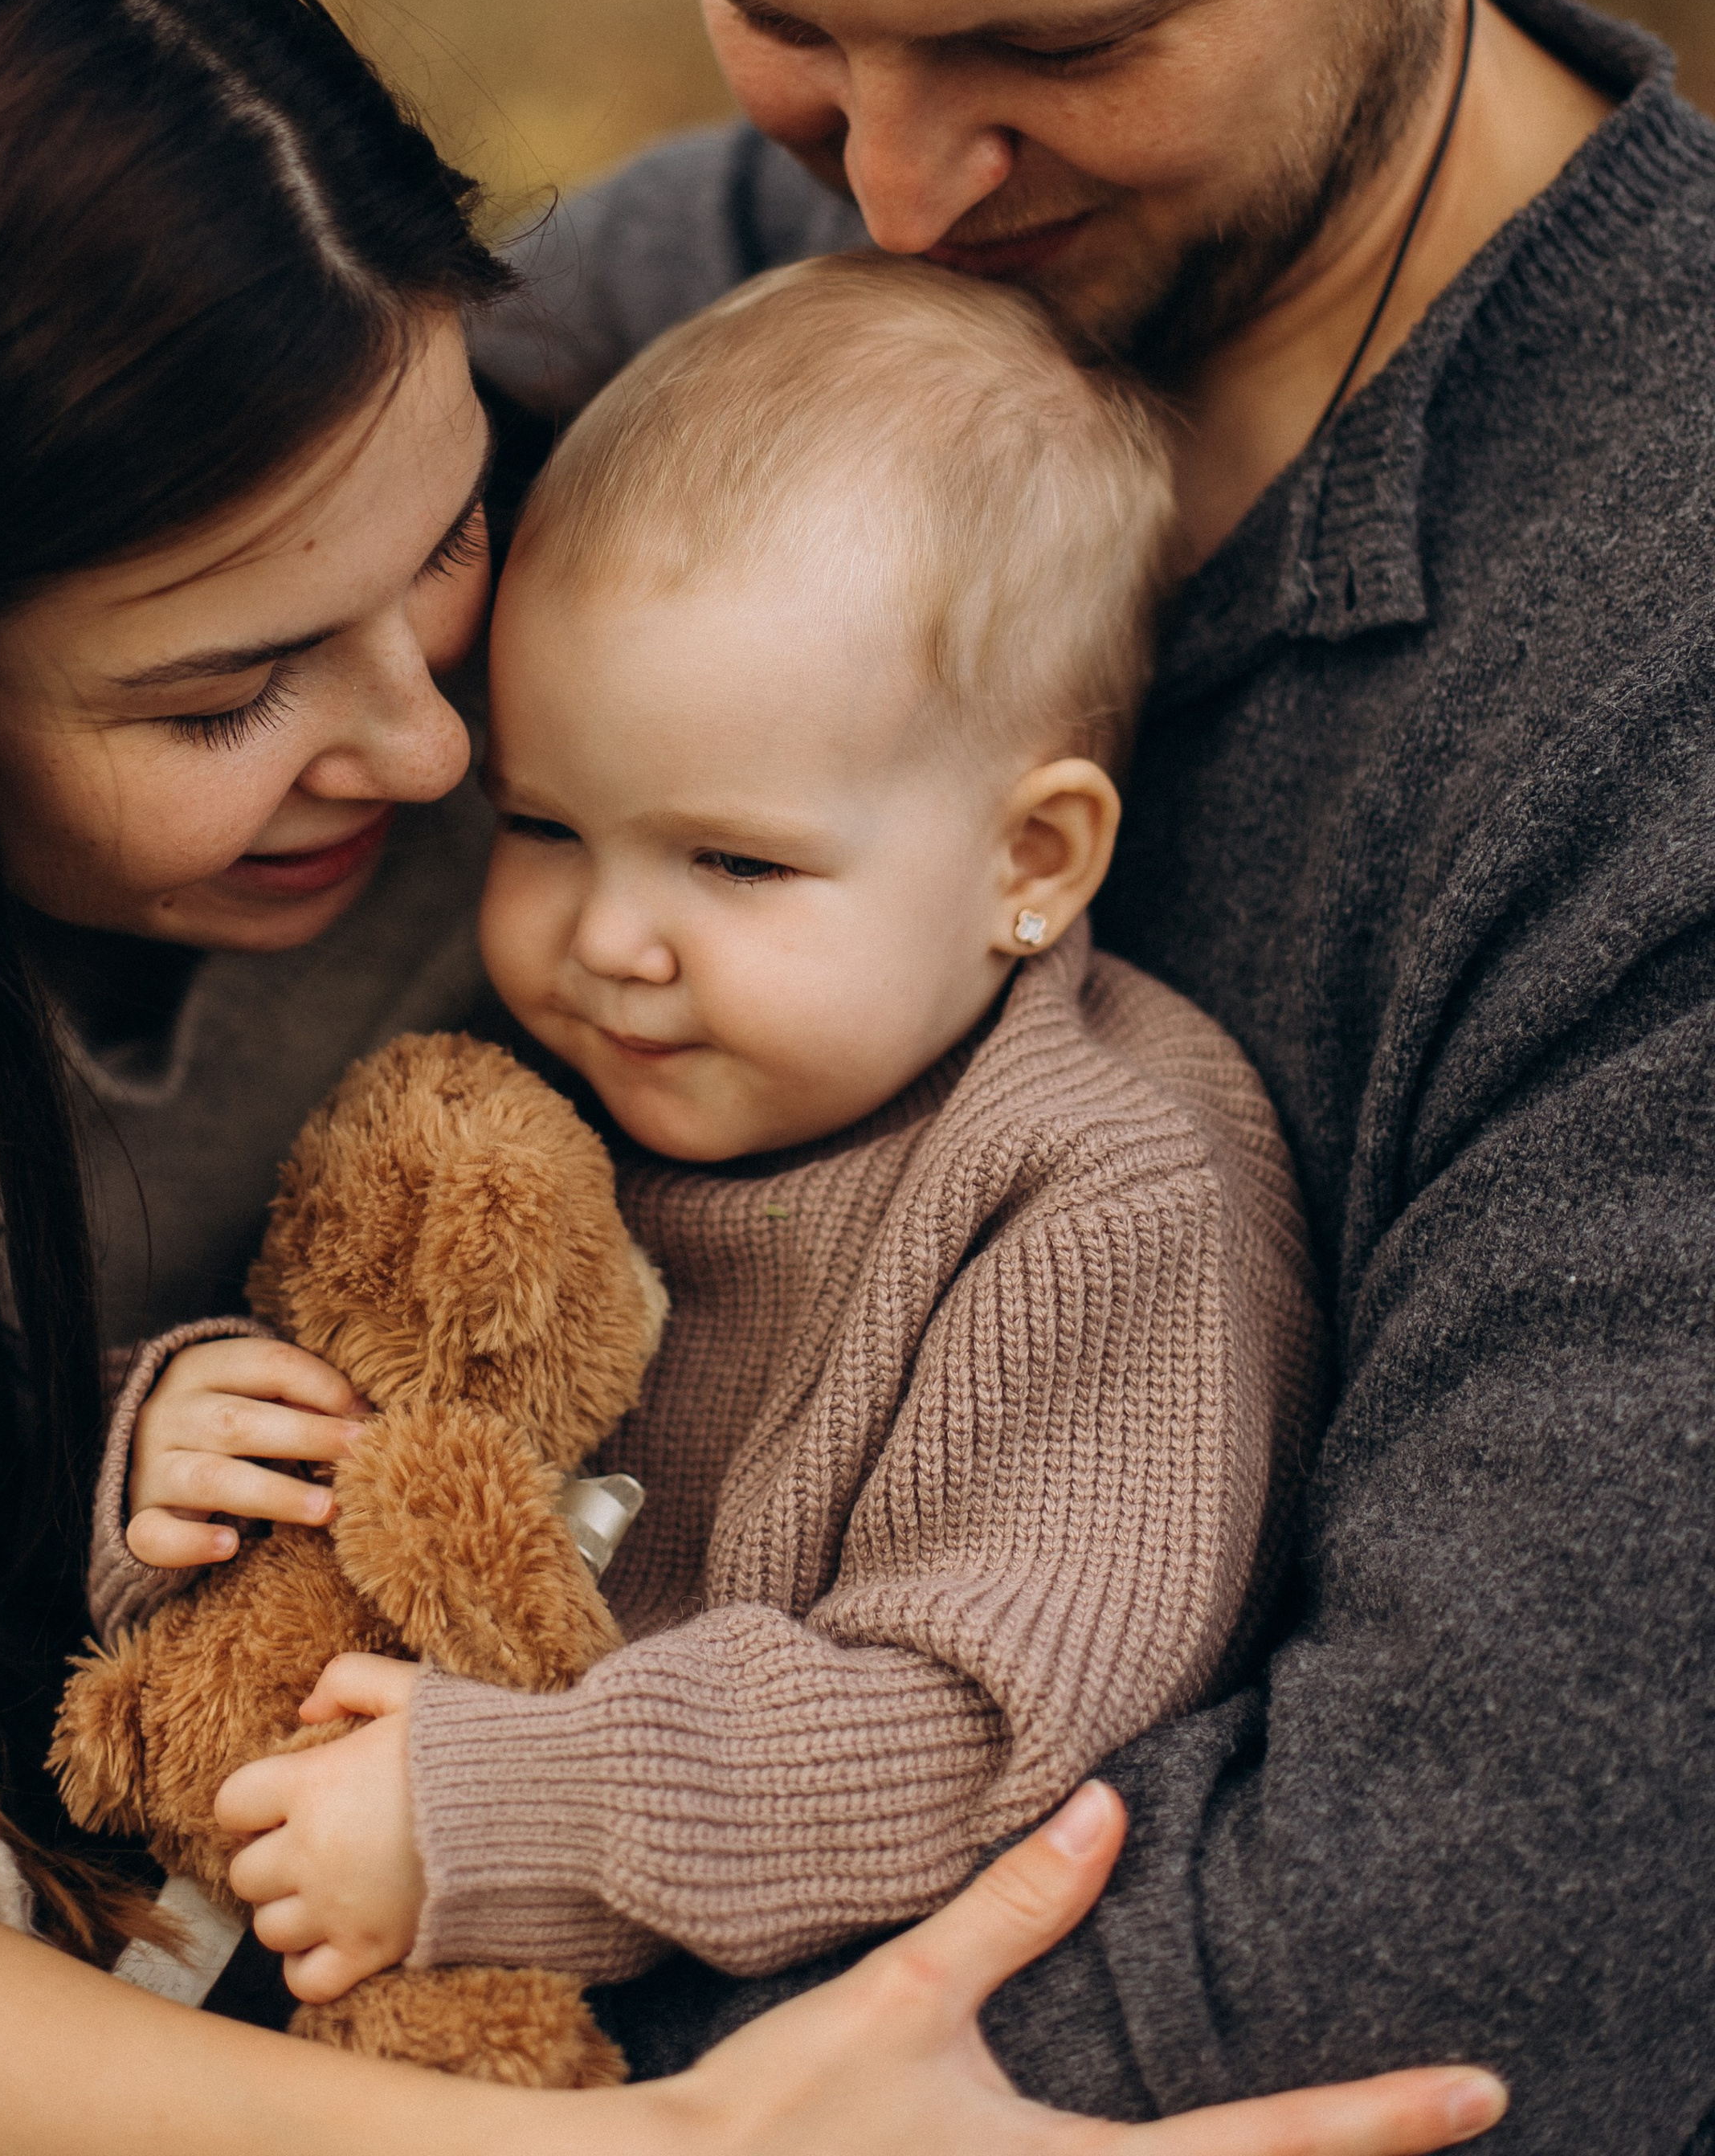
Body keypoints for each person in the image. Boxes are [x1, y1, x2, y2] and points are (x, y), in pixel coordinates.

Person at [0, 0, 1507, 2156]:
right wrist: (143, 1457)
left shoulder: (679, 746)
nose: (441, 761)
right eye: (225, 693)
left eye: (444, 542)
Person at [466, 0, 1715, 2155]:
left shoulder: (1655, 649)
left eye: (1055, 44)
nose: (882, 193)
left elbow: (1488, 1922)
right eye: (771, 5)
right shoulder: (674, 311)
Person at [100, 253, 1321, 1995]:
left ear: (1026, 861)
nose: (605, 939)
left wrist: (504, 1815)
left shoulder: (1097, 1189)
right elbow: (358, 1442)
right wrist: (180, 1444)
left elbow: (977, 1719)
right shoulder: (541, 1071)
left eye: (734, 862)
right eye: (542, 827)